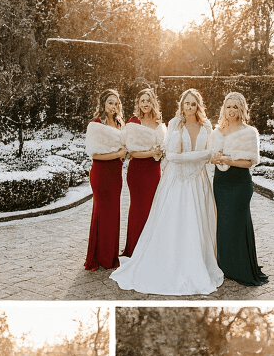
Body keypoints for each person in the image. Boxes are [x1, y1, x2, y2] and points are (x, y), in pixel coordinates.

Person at [111, 89, 224, 296]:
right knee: (174, 224)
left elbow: (211, 154)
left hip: (199, 183)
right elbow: (172, 156)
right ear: (181, 105)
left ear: (199, 106)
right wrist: (205, 155)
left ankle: (196, 262)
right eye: (186, 104)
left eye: (193, 104)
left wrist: (213, 155)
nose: (189, 108)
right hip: (178, 182)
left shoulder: (207, 126)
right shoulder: (174, 124)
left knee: (196, 224)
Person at [211, 92, 268, 286]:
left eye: (235, 107)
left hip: (239, 184)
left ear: (242, 109)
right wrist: (215, 158)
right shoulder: (216, 132)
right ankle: (226, 265)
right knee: (224, 224)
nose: (231, 110)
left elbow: (250, 162)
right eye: (228, 106)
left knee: (238, 223)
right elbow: (211, 158)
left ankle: (241, 267)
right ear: (223, 109)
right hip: (220, 183)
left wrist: (228, 160)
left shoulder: (249, 132)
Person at [84, 89, 127, 271]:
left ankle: (110, 256)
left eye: (116, 103)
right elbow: (94, 153)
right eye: (110, 103)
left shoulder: (119, 124)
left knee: (113, 213)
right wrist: (118, 154)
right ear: (103, 104)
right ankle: (98, 257)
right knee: (102, 213)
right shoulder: (95, 125)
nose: (114, 106)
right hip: (101, 173)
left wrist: (124, 155)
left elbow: (124, 148)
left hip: (115, 174)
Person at [123, 88, 166, 256]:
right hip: (137, 171)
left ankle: (150, 248)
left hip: (153, 170)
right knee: (137, 208)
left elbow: (163, 147)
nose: (145, 104)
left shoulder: (158, 122)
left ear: (153, 102)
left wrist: (160, 153)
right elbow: (132, 152)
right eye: (142, 101)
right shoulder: (133, 122)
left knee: (152, 207)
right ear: (138, 104)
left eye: (148, 101)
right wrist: (151, 153)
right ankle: (133, 248)